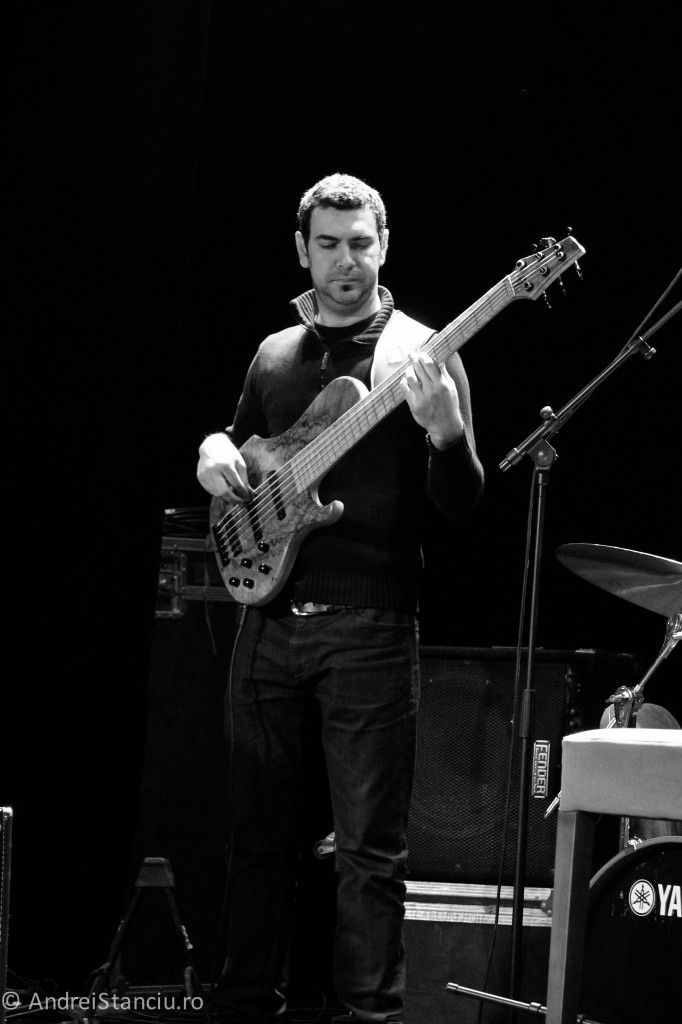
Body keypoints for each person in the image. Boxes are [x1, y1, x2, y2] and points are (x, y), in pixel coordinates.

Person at [196, 173, 484, 1024]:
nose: (346, 261)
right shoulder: (274, 354)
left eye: (361, 243)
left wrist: (447, 435)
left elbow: (463, 505)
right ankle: (245, 1002)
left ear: (384, 245)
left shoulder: (424, 352)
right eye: (329, 244)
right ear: (303, 250)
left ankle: (370, 1015)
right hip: (268, 619)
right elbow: (243, 448)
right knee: (255, 841)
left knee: (368, 853)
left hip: (373, 624)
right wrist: (212, 450)